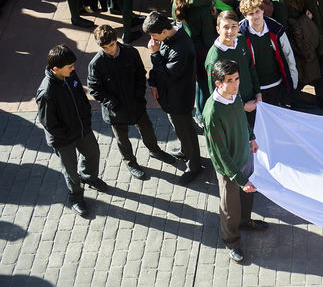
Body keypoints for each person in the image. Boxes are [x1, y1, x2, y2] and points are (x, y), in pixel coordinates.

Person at [88, 25, 177, 180]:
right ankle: (130, 162)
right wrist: (113, 104)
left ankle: (154, 150)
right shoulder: (96, 64)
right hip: (115, 110)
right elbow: (95, 89)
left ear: (116, 40)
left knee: (147, 128)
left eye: (112, 45)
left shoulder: (130, 52)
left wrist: (138, 94)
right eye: (105, 47)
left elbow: (140, 74)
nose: (110, 50)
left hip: (135, 103)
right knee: (122, 139)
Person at [203, 59, 269, 264]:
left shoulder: (235, 95)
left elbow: (242, 118)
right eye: (229, 80)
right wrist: (238, 178)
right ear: (218, 83)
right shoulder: (213, 113)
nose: (235, 84)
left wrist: (251, 137)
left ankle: (245, 221)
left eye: (237, 79)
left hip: (245, 156)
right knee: (229, 206)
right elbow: (219, 154)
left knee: (247, 197)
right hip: (229, 169)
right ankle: (231, 241)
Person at [36, 44, 108, 218]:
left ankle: (89, 176)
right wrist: (69, 135)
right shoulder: (46, 92)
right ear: (56, 69)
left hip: (82, 128)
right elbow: (49, 123)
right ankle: (76, 197)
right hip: (63, 139)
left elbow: (80, 97)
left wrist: (86, 117)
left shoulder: (69, 75)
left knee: (93, 153)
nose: (73, 69)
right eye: (70, 67)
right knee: (70, 170)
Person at [143, 11, 203, 185]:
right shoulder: (167, 38)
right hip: (170, 95)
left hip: (179, 98)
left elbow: (166, 75)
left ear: (163, 31)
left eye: (154, 36)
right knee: (179, 126)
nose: (153, 40)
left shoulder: (181, 49)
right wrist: (153, 84)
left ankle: (194, 165)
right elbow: (159, 70)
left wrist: (154, 54)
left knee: (185, 129)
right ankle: (186, 150)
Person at [205, 11, 262, 133]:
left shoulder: (241, 40)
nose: (230, 32)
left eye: (233, 27)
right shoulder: (214, 58)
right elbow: (215, 94)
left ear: (239, 27)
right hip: (234, 111)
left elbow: (250, 67)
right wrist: (243, 107)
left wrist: (258, 92)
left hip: (252, 101)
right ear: (218, 29)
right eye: (226, 27)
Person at [238, 0, 298, 106]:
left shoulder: (276, 29)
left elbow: (289, 56)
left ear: (262, 11)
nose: (255, 16)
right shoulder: (241, 35)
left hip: (277, 83)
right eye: (251, 14)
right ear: (245, 16)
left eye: (257, 11)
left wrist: (292, 83)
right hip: (255, 88)